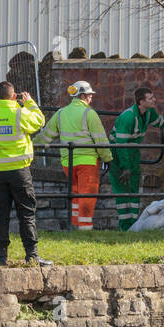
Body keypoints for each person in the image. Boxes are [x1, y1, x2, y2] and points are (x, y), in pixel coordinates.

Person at [0, 81, 51, 265]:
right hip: (19, 172)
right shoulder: (20, 113)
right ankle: (32, 255)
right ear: (14, 97)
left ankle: (2, 257)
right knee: (26, 213)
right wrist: (29, 102)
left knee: (1, 215)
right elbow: (40, 121)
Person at [37, 80, 112, 230]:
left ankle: (76, 225)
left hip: (68, 163)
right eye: (90, 96)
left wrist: (30, 146)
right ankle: (85, 229)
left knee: (76, 194)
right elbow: (100, 139)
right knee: (87, 195)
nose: (91, 99)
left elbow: (46, 136)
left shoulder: (60, 113)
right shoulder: (89, 114)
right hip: (88, 162)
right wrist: (107, 158)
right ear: (83, 96)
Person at [109, 86, 164, 231]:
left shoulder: (149, 112)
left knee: (133, 192)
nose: (154, 100)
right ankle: (125, 227)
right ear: (141, 101)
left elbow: (161, 122)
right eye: (150, 98)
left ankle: (132, 227)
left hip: (132, 155)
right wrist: (125, 167)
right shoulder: (128, 117)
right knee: (122, 193)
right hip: (118, 157)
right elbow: (121, 144)